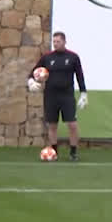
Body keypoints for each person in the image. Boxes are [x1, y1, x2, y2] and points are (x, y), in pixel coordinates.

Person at [28, 32, 87, 161]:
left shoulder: (73, 57)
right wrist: (31, 82)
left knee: (72, 125)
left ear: (64, 42)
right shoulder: (47, 57)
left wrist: (83, 93)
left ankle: (73, 152)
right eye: (54, 42)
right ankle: (54, 152)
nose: (55, 44)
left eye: (58, 41)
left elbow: (80, 75)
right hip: (51, 96)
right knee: (52, 125)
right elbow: (33, 72)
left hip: (67, 96)